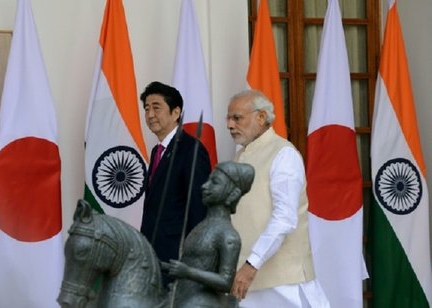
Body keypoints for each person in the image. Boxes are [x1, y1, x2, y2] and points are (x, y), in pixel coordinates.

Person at [227, 89, 330, 308]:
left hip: (284, 285)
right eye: (229, 118)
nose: (230, 125)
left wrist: (251, 265)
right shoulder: (238, 157)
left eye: (237, 118)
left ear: (261, 117)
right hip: (247, 283)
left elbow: (284, 218)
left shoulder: (284, 154)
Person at [140, 81, 211, 288]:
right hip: (154, 253)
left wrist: (193, 262)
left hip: (178, 257)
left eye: (156, 107)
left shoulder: (191, 149)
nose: (150, 114)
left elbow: (199, 208)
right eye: (146, 108)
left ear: (176, 112)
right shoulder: (157, 152)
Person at [162, 161, 254, 308]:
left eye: (215, 183)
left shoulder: (228, 235)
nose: (205, 186)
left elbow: (226, 282)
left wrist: (187, 272)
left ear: (232, 194)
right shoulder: (201, 226)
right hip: (181, 296)